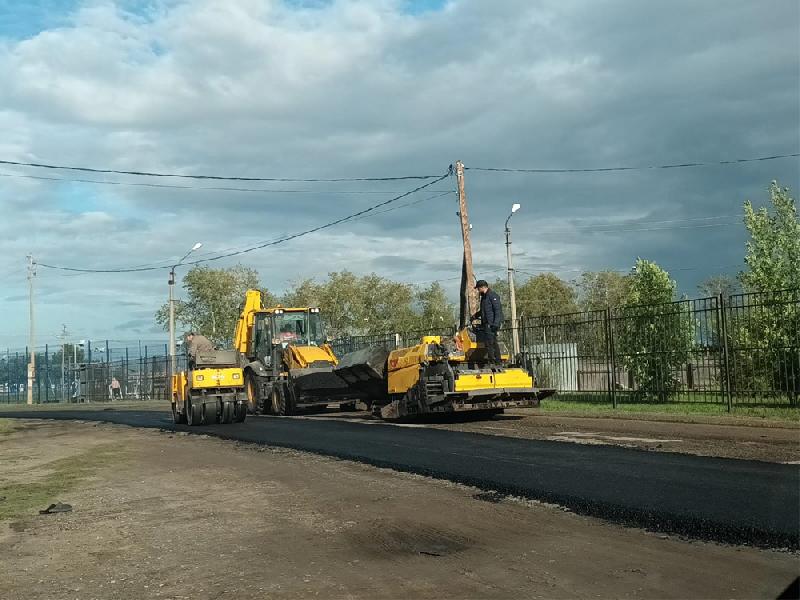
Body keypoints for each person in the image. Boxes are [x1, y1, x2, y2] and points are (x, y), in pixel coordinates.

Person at [472, 279, 504, 365]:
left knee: (490, 343)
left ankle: (494, 361)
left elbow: (497, 311)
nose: (478, 290)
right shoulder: (484, 297)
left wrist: (496, 324)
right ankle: (496, 360)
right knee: (491, 342)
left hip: (491, 324)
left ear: (482, 287)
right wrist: (475, 316)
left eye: (478, 288)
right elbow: (483, 310)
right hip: (486, 323)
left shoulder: (492, 296)